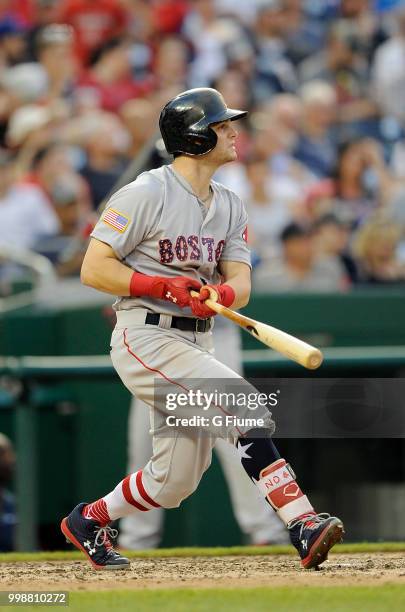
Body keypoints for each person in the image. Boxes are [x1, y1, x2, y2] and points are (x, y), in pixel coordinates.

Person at [61, 87, 344, 571]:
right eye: (221, 125)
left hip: (197, 336)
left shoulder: (231, 203)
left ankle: (88, 519)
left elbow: (241, 279)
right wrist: (160, 285)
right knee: (245, 405)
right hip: (146, 335)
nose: (233, 131)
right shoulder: (146, 191)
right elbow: (93, 267)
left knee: (174, 482)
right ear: (194, 137)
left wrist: (223, 296)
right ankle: (300, 521)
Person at [119, 317, 289, 549]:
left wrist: (220, 294)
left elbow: (239, 288)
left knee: (237, 435)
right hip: (154, 338)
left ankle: (266, 532)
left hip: (210, 335)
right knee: (144, 441)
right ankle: (135, 540)